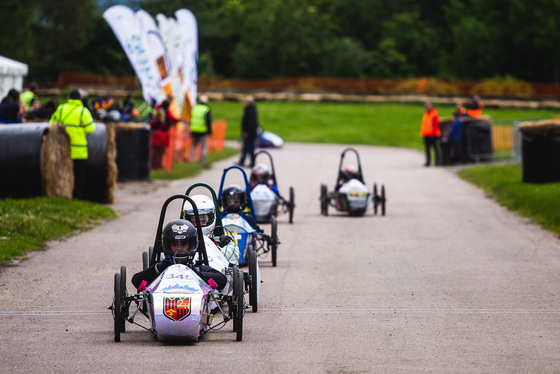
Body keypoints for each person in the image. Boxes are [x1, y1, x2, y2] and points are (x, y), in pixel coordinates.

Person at [131, 219, 227, 291]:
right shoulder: (162, 268)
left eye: (183, 244)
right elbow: (136, 281)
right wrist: (159, 268)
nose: (179, 249)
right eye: (175, 244)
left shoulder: (198, 268)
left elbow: (222, 281)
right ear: (168, 245)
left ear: (191, 245)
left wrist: (196, 275)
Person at [49, 89, 96, 199]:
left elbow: (52, 124)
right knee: (79, 173)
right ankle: (78, 195)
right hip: (79, 148)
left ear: (69, 98)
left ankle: (63, 194)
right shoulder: (82, 111)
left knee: (63, 172)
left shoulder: (61, 109)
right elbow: (91, 128)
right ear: (80, 98)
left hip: (62, 148)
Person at [183, 195, 240, 265]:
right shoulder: (181, 242)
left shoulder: (222, 242)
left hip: (214, 272)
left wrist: (216, 250)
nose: (199, 224)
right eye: (195, 221)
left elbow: (234, 256)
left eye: (203, 220)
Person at [237, 96, 259, 168]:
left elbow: (251, 123)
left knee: (249, 148)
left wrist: (246, 131)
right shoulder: (249, 110)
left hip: (250, 133)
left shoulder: (251, 111)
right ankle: (249, 161)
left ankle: (248, 161)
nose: (244, 103)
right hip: (250, 133)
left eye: (245, 102)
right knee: (248, 148)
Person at [189, 95, 212, 166]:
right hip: (202, 131)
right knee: (203, 146)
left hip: (194, 130)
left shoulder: (195, 108)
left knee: (193, 146)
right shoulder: (206, 109)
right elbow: (208, 121)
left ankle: (191, 160)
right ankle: (201, 160)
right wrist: (209, 131)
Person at [420, 101, 440, 167]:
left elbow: (436, 125)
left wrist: (434, 133)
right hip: (426, 134)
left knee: (435, 148)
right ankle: (428, 162)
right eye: (426, 105)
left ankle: (437, 162)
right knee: (427, 149)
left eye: (429, 105)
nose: (427, 107)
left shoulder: (434, 114)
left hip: (432, 134)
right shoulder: (426, 114)